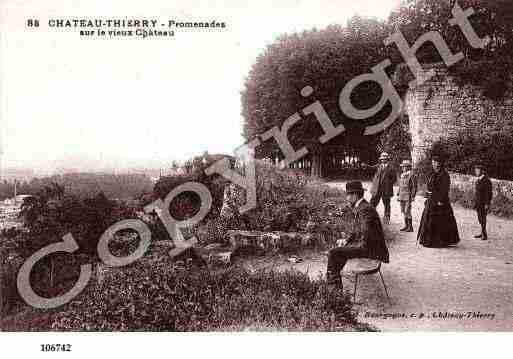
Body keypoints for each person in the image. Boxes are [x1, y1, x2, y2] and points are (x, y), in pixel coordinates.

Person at [326, 181, 390, 288]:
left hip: (372, 250)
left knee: (333, 253)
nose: (347, 198)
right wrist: (347, 240)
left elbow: (366, 233)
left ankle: (333, 290)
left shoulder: (365, 209)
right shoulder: (362, 206)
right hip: (369, 246)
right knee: (339, 250)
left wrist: (353, 246)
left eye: (348, 195)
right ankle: (334, 284)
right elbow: (358, 230)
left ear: (355, 195)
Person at [417, 155, 460, 248]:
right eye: (433, 162)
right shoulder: (433, 173)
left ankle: (440, 241)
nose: (434, 164)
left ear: (439, 163)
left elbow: (444, 189)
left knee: (440, 221)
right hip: (431, 200)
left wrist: (440, 200)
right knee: (429, 220)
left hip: (441, 201)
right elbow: (429, 185)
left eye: (435, 162)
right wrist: (427, 194)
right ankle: (429, 240)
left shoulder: (444, 175)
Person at [370, 152, 396, 224]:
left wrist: (388, 183)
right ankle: (371, 217)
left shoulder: (391, 168)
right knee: (373, 202)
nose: (383, 160)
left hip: (386, 189)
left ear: (387, 159)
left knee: (387, 204)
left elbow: (394, 179)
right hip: (377, 189)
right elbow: (371, 168)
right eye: (382, 159)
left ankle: (386, 218)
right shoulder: (378, 166)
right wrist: (365, 166)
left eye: (385, 159)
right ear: (380, 160)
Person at [473, 162, 493, 241]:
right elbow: (477, 193)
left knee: (483, 218)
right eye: (476, 170)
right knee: (480, 218)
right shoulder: (478, 180)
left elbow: (489, 193)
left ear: (482, 171)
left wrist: (487, 204)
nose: (476, 172)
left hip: (483, 203)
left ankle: (484, 234)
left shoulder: (486, 180)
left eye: (477, 170)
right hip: (478, 202)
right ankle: (482, 232)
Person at [397, 160, 417, 232]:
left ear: (408, 167)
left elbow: (414, 186)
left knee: (407, 210)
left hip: (408, 195)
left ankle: (410, 227)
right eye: (402, 167)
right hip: (402, 195)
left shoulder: (411, 175)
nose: (402, 168)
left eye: (404, 167)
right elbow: (400, 185)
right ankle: (406, 226)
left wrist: (413, 196)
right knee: (403, 211)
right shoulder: (402, 174)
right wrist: (398, 193)